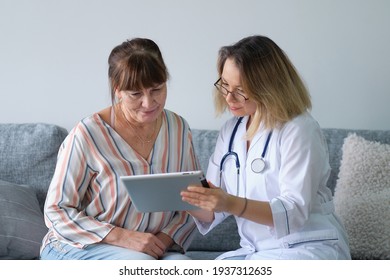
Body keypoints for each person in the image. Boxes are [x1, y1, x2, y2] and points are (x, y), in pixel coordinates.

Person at [181, 35, 351, 260]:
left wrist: (229, 202)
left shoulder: (299, 129)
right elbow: (214, 210)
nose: (229, 97)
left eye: (241, 89)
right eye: (225, 85)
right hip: (257, 252)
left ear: (268, 87)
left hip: (307, 247)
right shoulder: (231, 132)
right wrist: (180, 198)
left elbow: (294, 211)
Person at [40, 38, 199, 260]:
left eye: (157, 89)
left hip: (150, 248)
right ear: (118, 90)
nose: (149, 102)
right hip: (78, 245)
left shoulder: (179, 128)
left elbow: (193, 201)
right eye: (135, 94)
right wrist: (123, 237)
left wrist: (163, 239)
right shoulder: (87, 134)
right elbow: (57, 211)